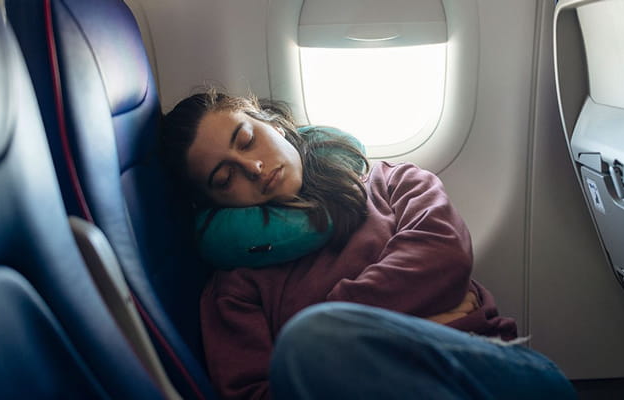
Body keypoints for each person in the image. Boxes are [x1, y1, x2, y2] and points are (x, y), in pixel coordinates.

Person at [160, 89, 576, 400]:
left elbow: (443, 258)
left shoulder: (395, 183)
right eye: (223, 178)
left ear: (272, 122)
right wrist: (409, 333)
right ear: (214, 204)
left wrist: (337, 342)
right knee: (310, 341)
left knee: (309, 340)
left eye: (247, 139)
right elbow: (256, 393)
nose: (252, 168)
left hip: (489, 371)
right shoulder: (236, 288)